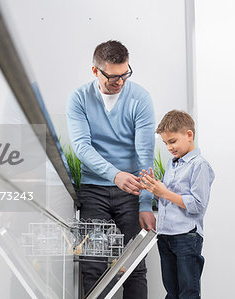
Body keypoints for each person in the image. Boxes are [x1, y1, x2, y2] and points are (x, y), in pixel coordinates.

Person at [66, 40, 156, 298]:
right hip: (94, 190)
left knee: (134, 265)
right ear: (95, 71)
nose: (120, 82)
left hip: (133, 191)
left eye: (125, 74)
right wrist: (114, 175)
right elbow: (82, 148)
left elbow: (145, 154)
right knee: (92, 265)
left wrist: (146, 204)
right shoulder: (79, 99)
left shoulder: (140, 98)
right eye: (113, 77)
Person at [140, 110, 215, 299]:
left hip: (186, 237)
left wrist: (164, 192)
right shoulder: (171, 165)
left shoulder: (199, 165)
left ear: (189, 135)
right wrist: (154, 189)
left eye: (172, 141)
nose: (169, 147)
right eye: (166, 143)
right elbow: (168, 199)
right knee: (172, 293)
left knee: (188, 293)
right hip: (166, 235)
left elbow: (197, 204)